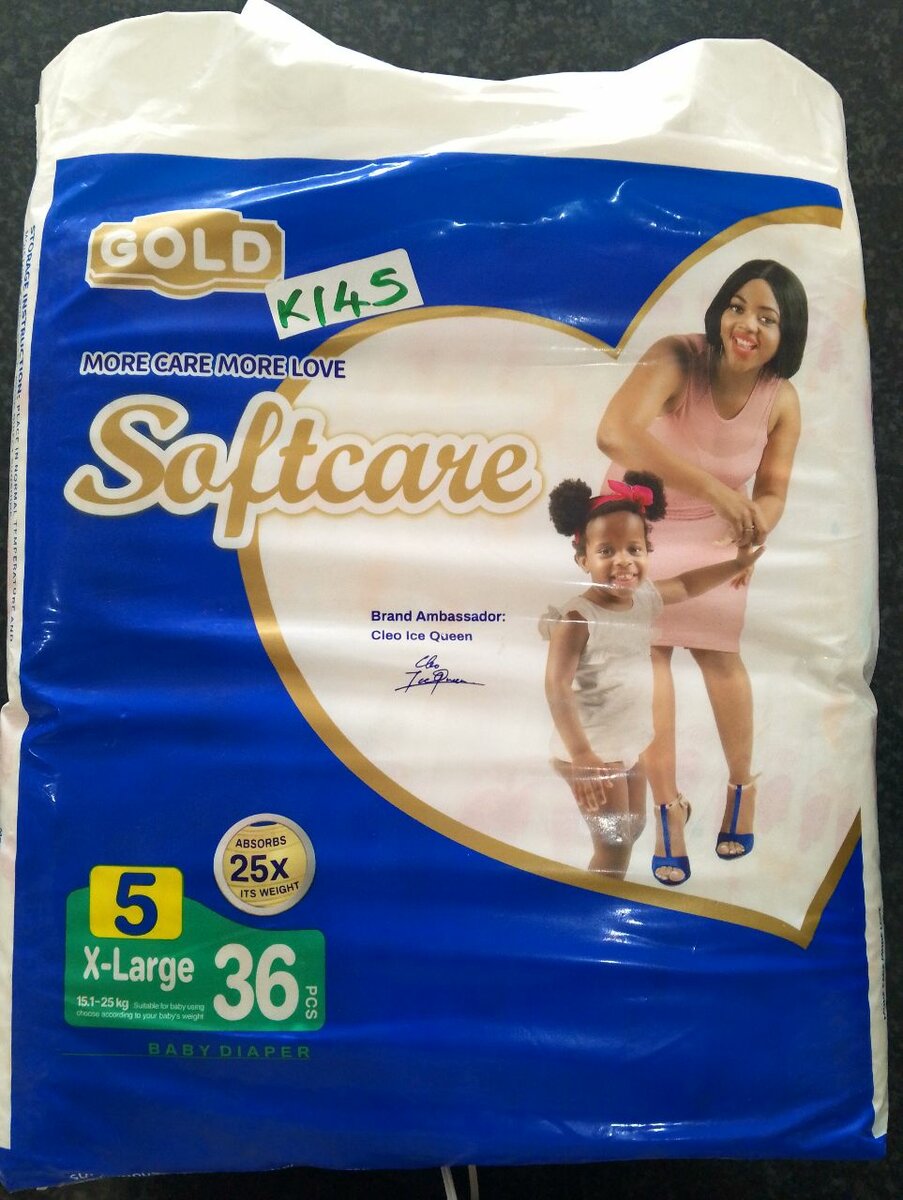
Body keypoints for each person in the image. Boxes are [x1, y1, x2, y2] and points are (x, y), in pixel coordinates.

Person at [596, 259, 807, 879]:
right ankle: (668, 808)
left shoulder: (781, 400)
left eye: (767, 318)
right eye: (737, 307)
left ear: (787, 333)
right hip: (638, 523)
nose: (747, 325)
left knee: (719, 656)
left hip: (717, 532)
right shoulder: (677, 357)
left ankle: (743, 787)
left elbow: (772, 491)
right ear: (719, 311)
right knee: (649, 658)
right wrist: (716, 491)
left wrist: (756, 526)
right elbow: (613, 433)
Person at [541, 472, 763, 883]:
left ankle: (674, 811)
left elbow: (686, 584)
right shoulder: (579, 618)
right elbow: (556, 685)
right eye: (606, 551)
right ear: (583, 559)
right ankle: (593, 910)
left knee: (637, 826)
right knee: (614, 844)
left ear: (648, 552)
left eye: (634, 549)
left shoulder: (642, 598)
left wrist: (737, 564)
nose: (623, 560)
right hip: (591, 750)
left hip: (630, 741)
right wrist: (583, 755)